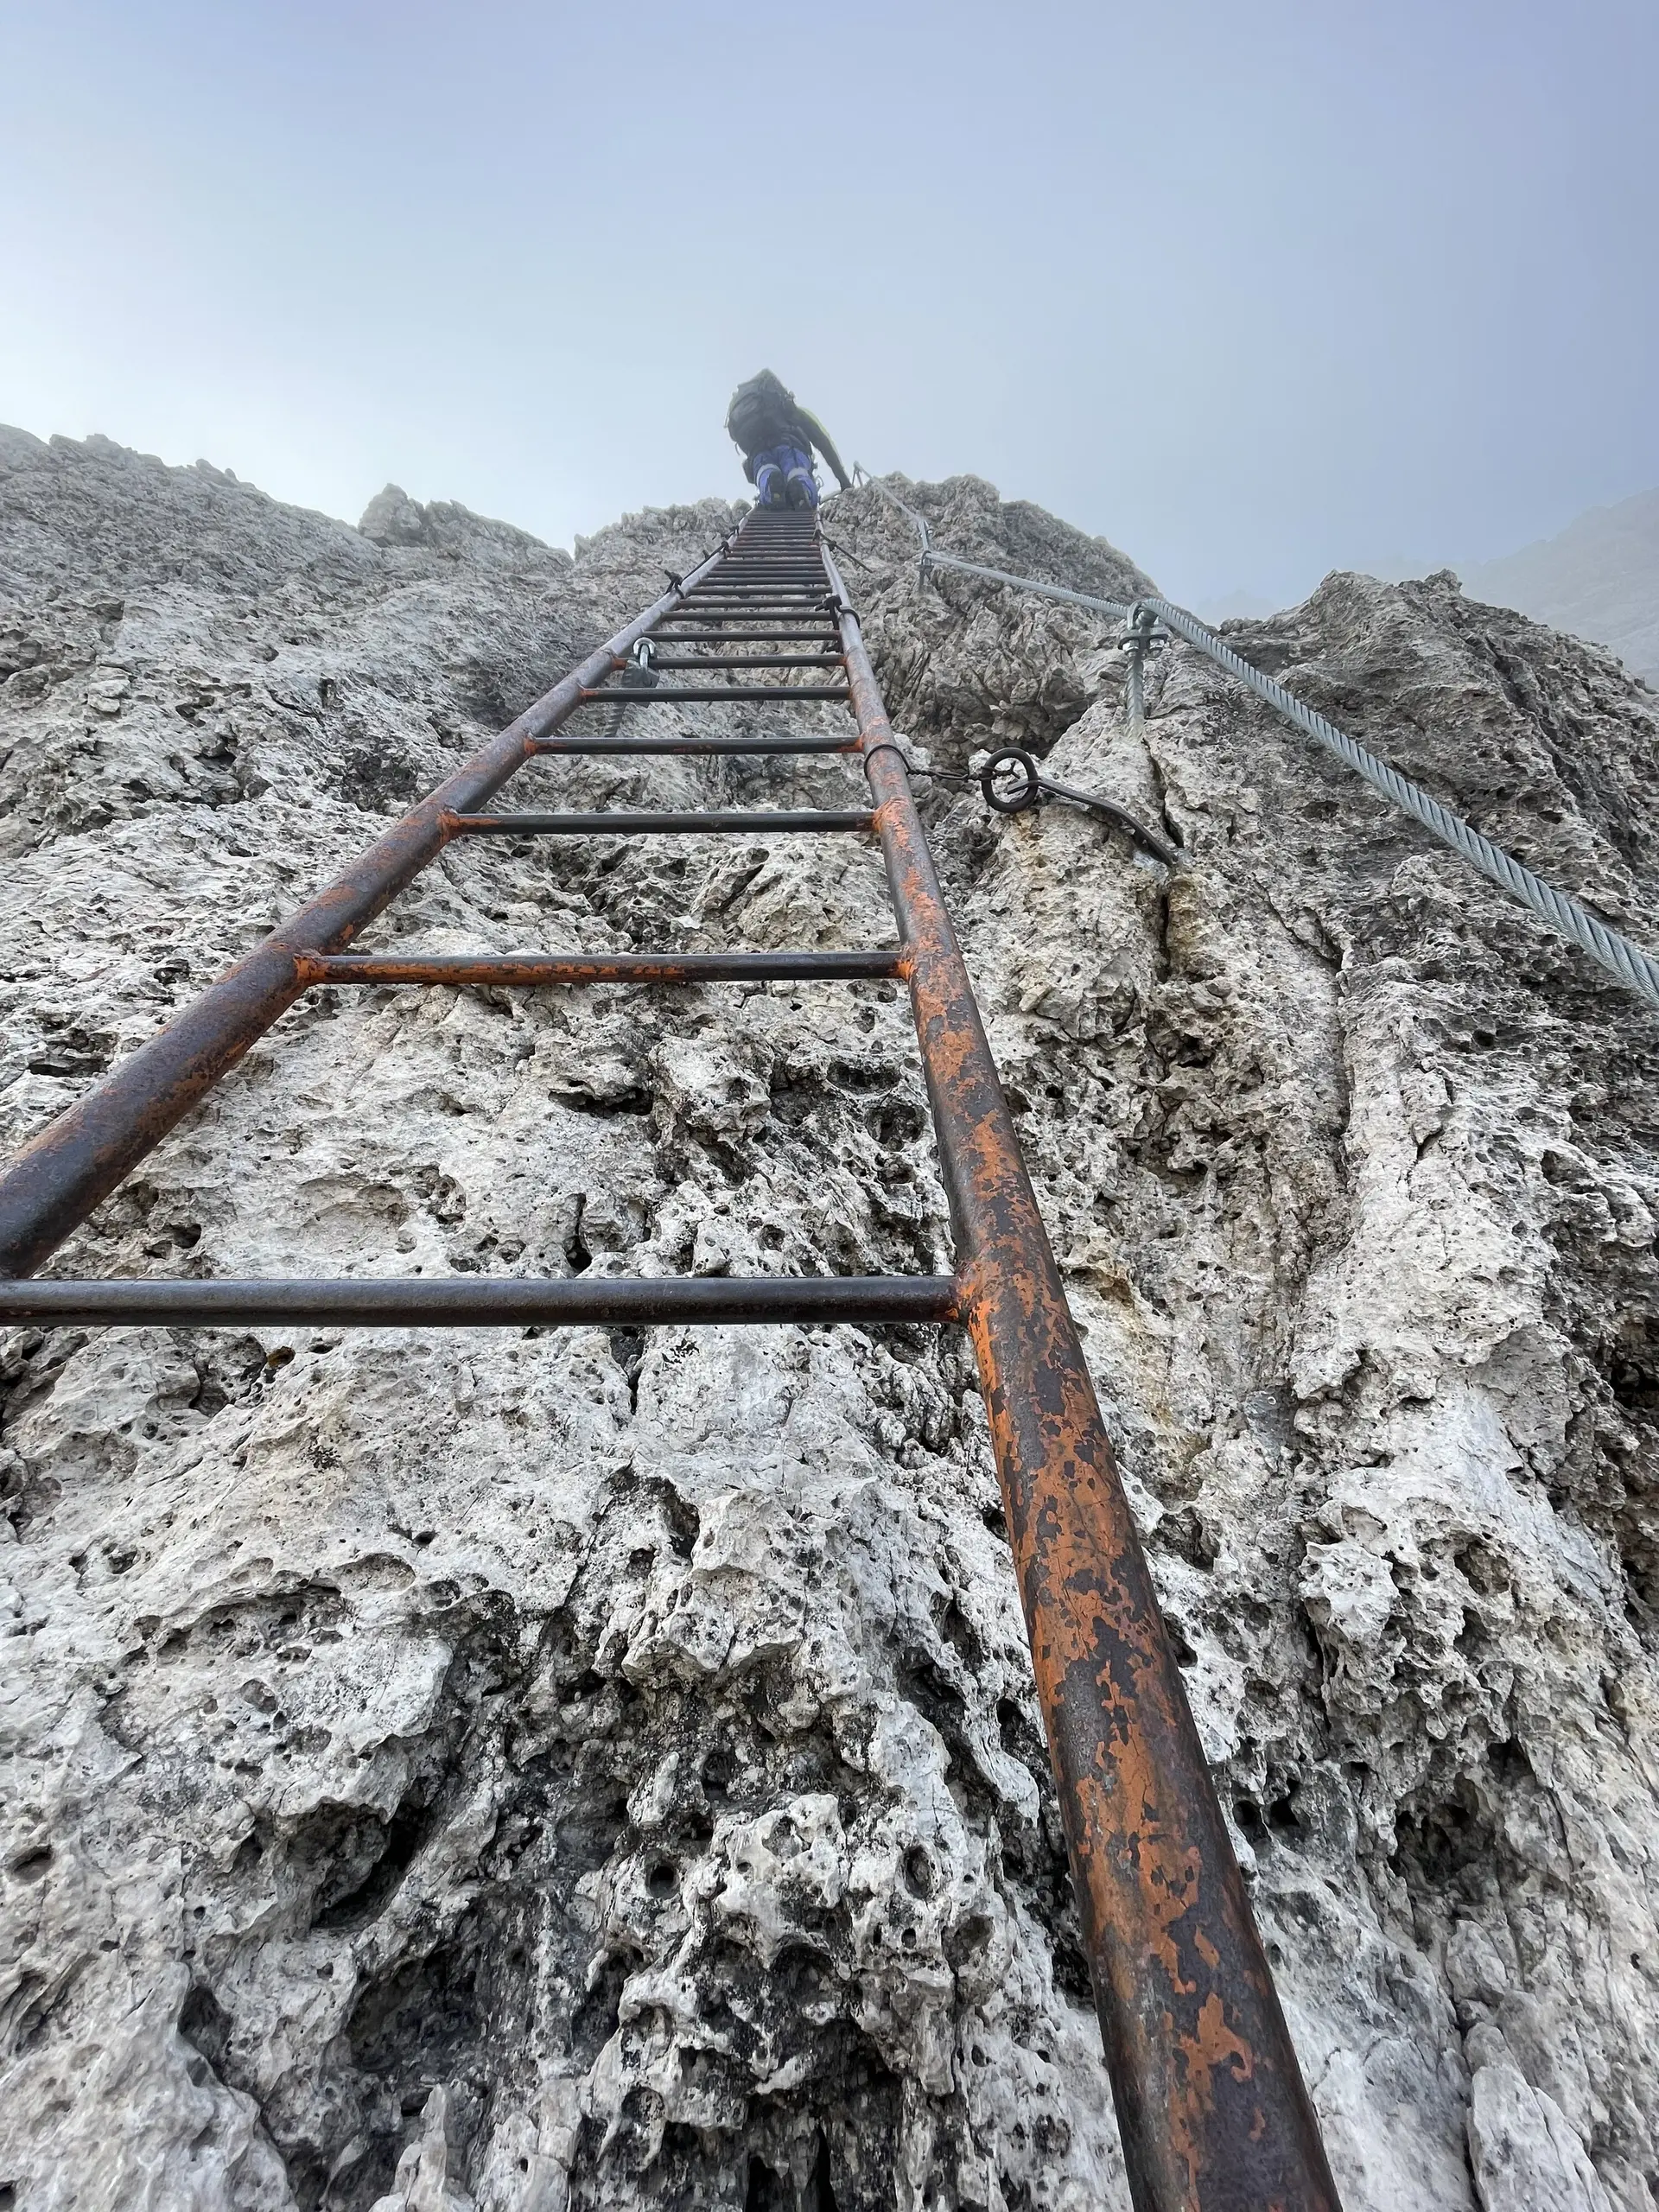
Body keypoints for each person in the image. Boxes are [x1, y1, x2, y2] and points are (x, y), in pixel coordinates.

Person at [725, 370, 851, 511]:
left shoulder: (748, 419)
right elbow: (822, 441)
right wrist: (842, 478)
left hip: (758, 453)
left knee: (766, 471)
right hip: (790, 445)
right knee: (796, 472)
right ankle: (801, 489)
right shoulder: (792, 411)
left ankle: (772, 486)